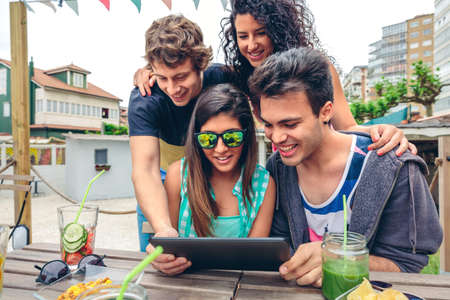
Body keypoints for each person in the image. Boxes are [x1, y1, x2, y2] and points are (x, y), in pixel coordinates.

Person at [248, 47, 442, 287]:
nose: (276, 138)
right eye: (268, 124)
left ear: (326, 111)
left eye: (289, 124)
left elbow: (408, 265)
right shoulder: (279, 168)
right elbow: (281, 245)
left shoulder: (394, 167)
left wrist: (338, 259)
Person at [134, 0, 416, 157]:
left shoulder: (315, 69)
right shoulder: (242, 75)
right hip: (286, 169)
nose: (251, 44)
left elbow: (347, 126)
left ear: (278, 30)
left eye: (260, 33)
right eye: (242, 36)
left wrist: (383, 131)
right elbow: (175, 68)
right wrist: (147, 72)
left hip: (324, 164)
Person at [128, 15, 232, 251]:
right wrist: (164, 228)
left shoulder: (223, 77)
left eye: (181, 77)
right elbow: (145, 170)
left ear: (201, 64)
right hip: (162, 178)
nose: (173, 89)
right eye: (162, 77)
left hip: (210, 174)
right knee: (159, 257)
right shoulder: (145, 98)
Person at [151, 84, 276, 275]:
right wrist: (162, 258)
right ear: (197, 139)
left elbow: (253, 261)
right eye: (208, 139)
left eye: (232, 137)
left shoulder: (264, 185)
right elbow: (169, 242)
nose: (220, 149)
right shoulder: (178, 175)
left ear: (246, 134)